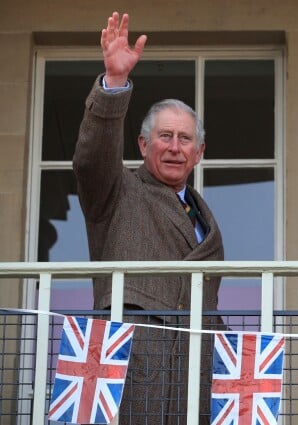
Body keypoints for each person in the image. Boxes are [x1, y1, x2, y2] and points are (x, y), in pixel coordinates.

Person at [73, 12, 225, 425]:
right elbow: (91, 158)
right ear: (142, 144)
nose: (175, 147)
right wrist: (114, 84)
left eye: (185, 139)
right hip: (132, 363)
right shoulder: (117, 190)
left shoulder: (200, 212)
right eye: (165, 136)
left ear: (199, 152)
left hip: (194, 372)